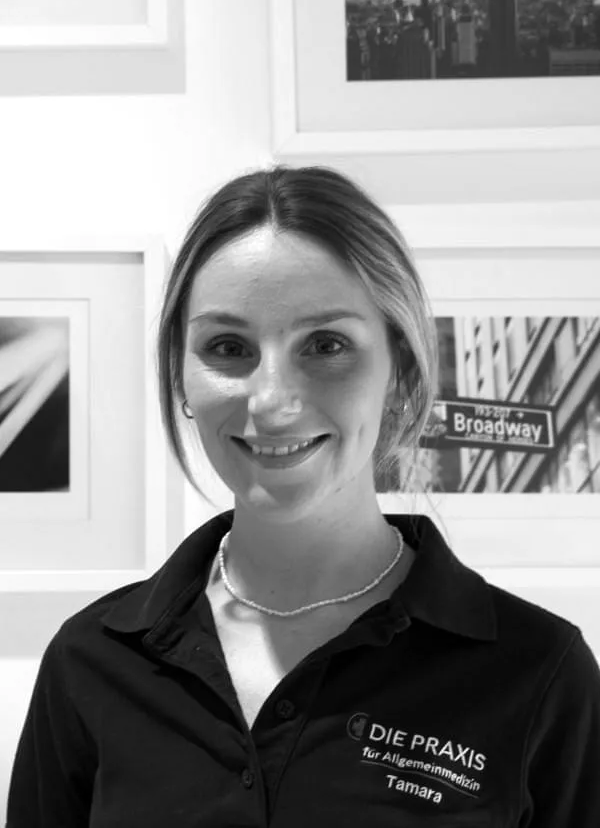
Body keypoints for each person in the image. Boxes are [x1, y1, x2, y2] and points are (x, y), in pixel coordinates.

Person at [6, 165, 600, 827]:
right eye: (228, 346)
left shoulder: (538, 672)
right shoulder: (90, 663)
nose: (271, 400)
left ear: (399, 371)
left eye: (325, 345)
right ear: (181, 375)